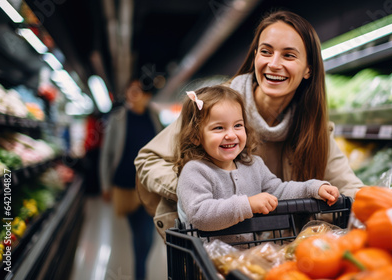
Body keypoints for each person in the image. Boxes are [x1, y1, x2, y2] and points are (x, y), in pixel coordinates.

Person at [135, 10, 364, 240]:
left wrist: (385, 206)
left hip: (279, 250)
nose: (274, 64)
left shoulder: (312, 126)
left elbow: (347, 184)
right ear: (255, 56)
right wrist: (200, 189)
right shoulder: (217, 108)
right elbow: (148, 160)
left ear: (308, 69)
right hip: (214, 247)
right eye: (266, 52)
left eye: (289, 55)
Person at [175, 85, 339, 233]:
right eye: (219, 128)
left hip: (249, 256)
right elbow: (200, 215)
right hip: (208, 259)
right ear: (196, 136)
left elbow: (279, 191)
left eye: (238, 125)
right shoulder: (195, 171)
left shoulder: (253, 165)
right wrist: (248, 204)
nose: (231, 135)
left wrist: (312, 188)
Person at [99, 78, 164, 280]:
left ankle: (140, 273)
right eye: (130, 90)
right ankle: (140, 273)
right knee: (139, 234)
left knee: (145, 237)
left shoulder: (154, 118)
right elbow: (107, 153)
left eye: (138, 91)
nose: (133, 95)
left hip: (148, 186)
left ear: (147, 96)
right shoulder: (118, 118)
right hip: (124, 186)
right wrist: (105, 185)